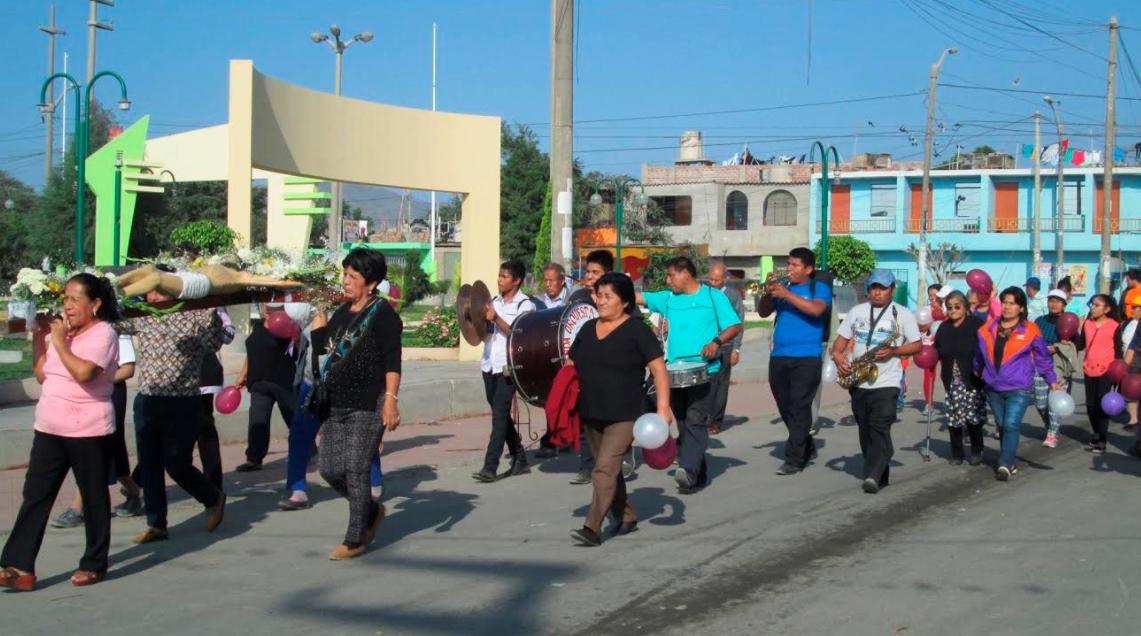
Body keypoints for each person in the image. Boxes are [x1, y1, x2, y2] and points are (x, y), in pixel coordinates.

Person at [0, 274, 121, 591]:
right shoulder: (62, 334)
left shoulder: (104, 334)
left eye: (74, 299)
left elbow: (84, 372)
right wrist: (43, 335)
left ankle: (94, 562)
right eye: (64, 299)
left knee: (93, 497)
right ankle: (19, 564)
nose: (67, 306)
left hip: (88, 428)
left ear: (94, 304)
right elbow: (42, 374)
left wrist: (59, 342)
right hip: (50, 427)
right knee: (35, 495)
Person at [118, 274, 229, 544]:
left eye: (159, 292)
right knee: (150, 464)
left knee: (177, 465)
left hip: (183, 401)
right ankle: (157, 524)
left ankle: (212, 497)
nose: (153, 297)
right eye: (150, 293)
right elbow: (114, 320)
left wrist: (212, 305)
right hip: (147, 399)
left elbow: (214, 342)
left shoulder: (194, 314)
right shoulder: (143, 316)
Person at [309, 249, 402, 560]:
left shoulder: (384, 315)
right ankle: (371, 510)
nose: (346, 282)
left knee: (356, 470)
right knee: (329, 469)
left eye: (353, 277)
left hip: (368, 404)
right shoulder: (342, 311)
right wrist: (319, 316)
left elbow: (393, 360)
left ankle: (355, 538)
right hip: (335, 405)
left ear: (371, 283)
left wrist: (390, 399)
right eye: (345, 275)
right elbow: (327, 347)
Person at [567, 272, 671, 546]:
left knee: (603, 468)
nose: (600, 301)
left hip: (625, 414)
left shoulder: (637, 330)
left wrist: (663, 409)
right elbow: (571, 364)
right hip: (590, 411)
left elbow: (659, 369)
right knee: (610, 470)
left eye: (607, 296)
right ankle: (626, 516)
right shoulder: (588, 328)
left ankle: (592, 528)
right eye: (598, 296)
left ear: (625, 302)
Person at [636, 256, 742, 493]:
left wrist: (717, 342)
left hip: (706, 371)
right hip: (672, 374)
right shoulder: (668, 299)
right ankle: (698, 473)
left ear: (686, 274)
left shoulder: (713, 297)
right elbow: (639, 297)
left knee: (696, 419)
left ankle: (688, 469)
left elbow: (734, 325)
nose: (667, 280)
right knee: (684, 424)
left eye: (671, 275)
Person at [278, 304, 383, 511]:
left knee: (360, 434)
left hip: (348, 384)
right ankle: (297, 490)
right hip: (314, 384)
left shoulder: (356, 307)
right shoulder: (308, 309)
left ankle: (374, 483)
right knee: (299, 435)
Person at [831, 269, 922, 494]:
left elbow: (917, 345)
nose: (877, 292)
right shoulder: (856, 311)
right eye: (874, 287)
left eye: (882, 288)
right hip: (860, 380)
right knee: (865, 429)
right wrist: (839, 357)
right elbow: (839, 343)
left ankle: (872, 475)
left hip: (888, 381)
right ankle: (881, 471)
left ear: (892, 289)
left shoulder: (903, 314)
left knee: (880, 425)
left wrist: (894, 350)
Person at [49, 333, 143, 529]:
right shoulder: (79, 333)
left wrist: (100, 379)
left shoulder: (116, 332)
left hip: (110, 393)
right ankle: (133, 491)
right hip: (85, 393)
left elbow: (127, 369)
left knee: (97, 446)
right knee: (111, 450)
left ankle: (78, 508)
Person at [976, 287, 1062, 480]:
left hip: (1019, 387)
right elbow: (980, 354)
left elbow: (1042, 357)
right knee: (1001, 425)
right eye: (1005, 302)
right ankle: (1010, 459)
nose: (1007, 307)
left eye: (1012, 303)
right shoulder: (987, 328)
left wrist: (1052, 380)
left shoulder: (1030, 330)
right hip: (993, 387)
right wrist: (976, 369)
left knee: (1011, 424)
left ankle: (1005, 463)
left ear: (1021, 307)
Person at [757, 248, 830, 475]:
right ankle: (805, 443)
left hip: (807, 356)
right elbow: (762, 312)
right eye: (788, 264)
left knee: (799, 405)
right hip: (779, 355)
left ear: (808, 269)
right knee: (785, 405)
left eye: (794, 265)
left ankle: (794, 459)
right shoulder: (783, 288)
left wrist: (787, 295)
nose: (789, 269)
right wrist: (769, 294)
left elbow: (817, 310)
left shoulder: (818, 287)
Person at [473, 259, 534, 483]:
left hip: (509, 367)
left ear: (516, 280)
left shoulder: (525, 305)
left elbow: (520, 336)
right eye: (499, 276)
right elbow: (486, 332)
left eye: (504, 277)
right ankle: (520, 457)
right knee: (500, 415)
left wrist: (496, 319)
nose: (499, 280)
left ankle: (490, 467)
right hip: (489, 363)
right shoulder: (494, 302)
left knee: (499, 416)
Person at [234, 305, 298, 472]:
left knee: (294, 419)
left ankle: (306, 452)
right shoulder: (258, 326)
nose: (268, 309)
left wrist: (294, 333)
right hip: (258, 382)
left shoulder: (286, 325)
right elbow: (251, 353)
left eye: (274, 307)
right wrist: (243, 374)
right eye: (266, 307)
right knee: (257, 421)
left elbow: (296, 350)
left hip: (282, 381)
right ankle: (254, 459)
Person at [933, 291, 987, 464]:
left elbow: (986, 347)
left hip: (972, 378)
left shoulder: (976, 324)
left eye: (957, 307)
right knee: (954, 417)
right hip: (952, 379)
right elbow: (936, 350)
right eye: (949, 307)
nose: (953, 310)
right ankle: (957, 454)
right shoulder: (944, 327)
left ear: (965, 307)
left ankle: (977, 450)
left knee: (972, 416)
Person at [1075, 294, 1121, 455]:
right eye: (1092, 305)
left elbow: (1118, 352)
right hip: (1089, 368)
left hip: (1106, 370)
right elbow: (1080, 344)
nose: (1093, 308)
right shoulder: (1087, 324)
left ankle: (1102, 439)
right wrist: (1070, 338)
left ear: (1107, 309)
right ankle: (1095, 431)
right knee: (1090, 406)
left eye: (1097, 305)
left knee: (1102, 404)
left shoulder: (1115, 326)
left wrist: (1118, 374)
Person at [195, 307, 234, 489]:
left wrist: (213, 320)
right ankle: (138, 481)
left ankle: (213, 484)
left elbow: (228, 335)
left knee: (204, 430)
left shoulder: (214, 307)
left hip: (204, 376)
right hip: (175, 380)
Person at [1033, 289, 1078, 448]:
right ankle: (1050, 425)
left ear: (1064, 304)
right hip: (1039, 363)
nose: (1054, 304)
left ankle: (1052, 433)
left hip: (1059, 365)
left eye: (1058, 301)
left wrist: (1059, 347)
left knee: (1055, 401)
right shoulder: (1039, 321)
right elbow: (1033, 340)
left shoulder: (1069, 321)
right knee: (1040, 403)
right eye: (1051, 300)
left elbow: (1076, 344)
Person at [707, 263, 745, 435]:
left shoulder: (732, 296)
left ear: (725, 279)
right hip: (707, 345)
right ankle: (704, 416)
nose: (713, 283)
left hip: (726, 346)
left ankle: (716, 421)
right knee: (707, 383)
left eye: (716, 280)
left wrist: (736, 348)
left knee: (720, 385)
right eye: (710, 279)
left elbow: (739, 322)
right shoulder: (704, 293)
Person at [1122, 294, 1141, 431]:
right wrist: (1125, 367)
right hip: (1137, 360)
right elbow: (1133, 344)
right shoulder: (1134, 323)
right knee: (1131, 388)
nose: (1132, 310)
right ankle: (1134, 419)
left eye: (1135, 307)